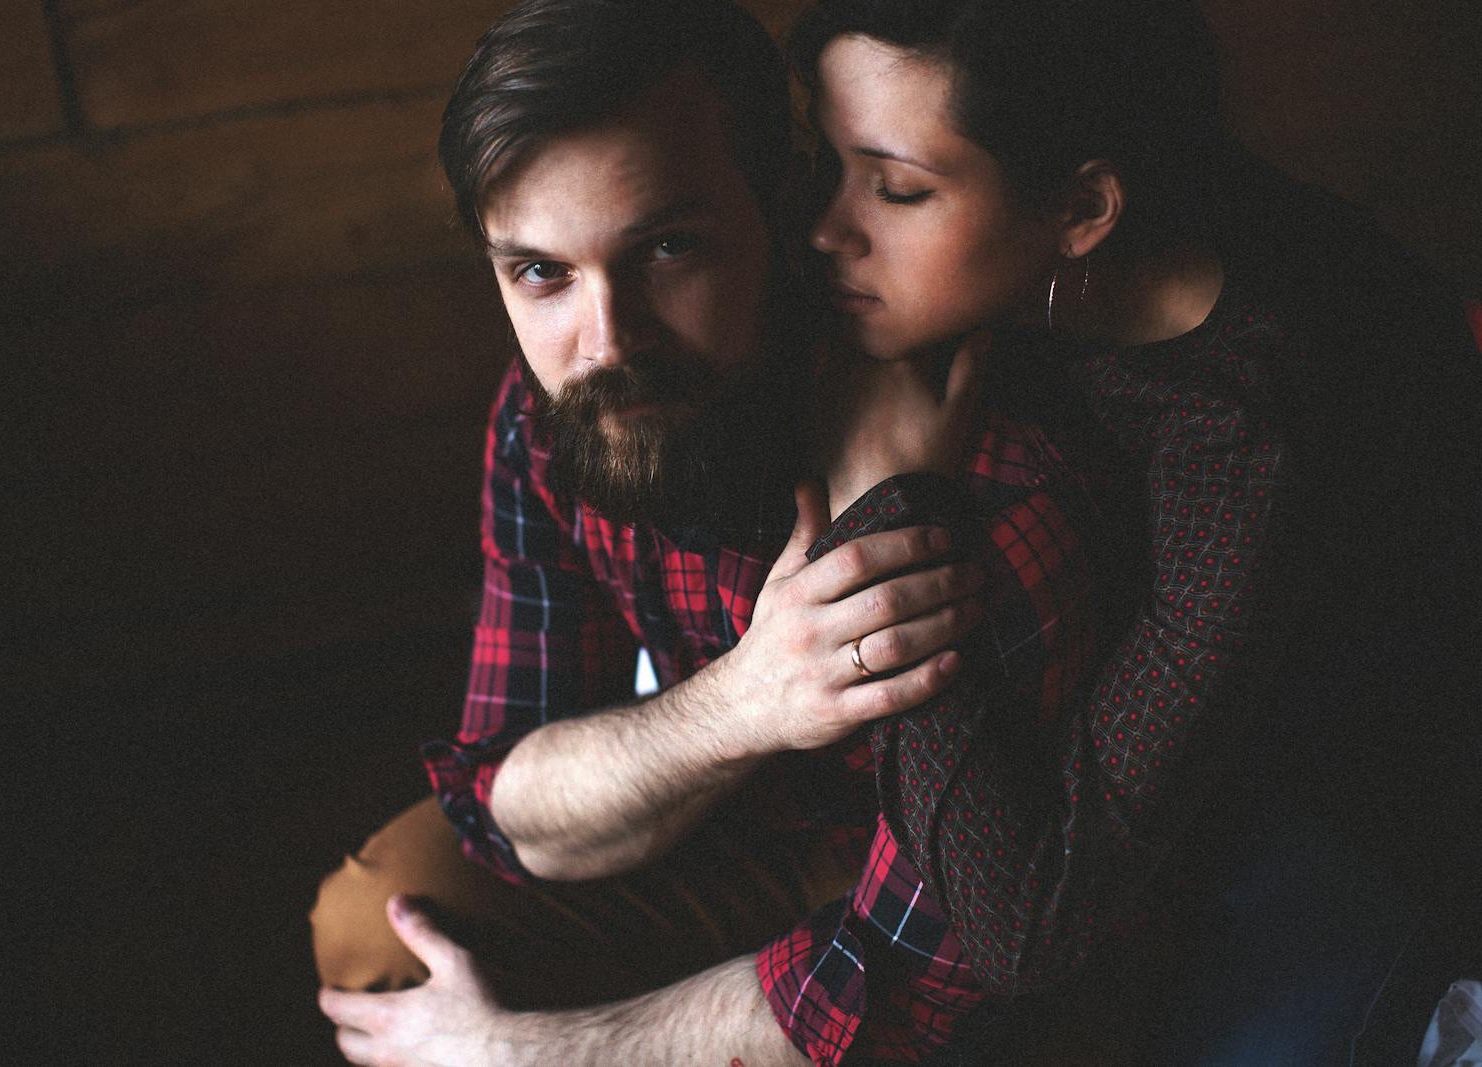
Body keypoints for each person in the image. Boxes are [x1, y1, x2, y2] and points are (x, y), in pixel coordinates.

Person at [312, 1, 1108, 1064]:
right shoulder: (557, 413)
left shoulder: (988, 480)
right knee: (388, 926)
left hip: (982, 923)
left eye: (668, 248)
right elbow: (503, 803)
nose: (607, 341)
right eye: (541, 271)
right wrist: (747, 698)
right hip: (750, 833)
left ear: (780, 212)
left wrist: (528, 1050)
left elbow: (927, 976)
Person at [791, 0, 1482, 1061]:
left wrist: (888, 511)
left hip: (1382, 814)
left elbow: (1022, 921)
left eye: (897, 188)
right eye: (829, 164)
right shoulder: (1047, 233)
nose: (827, 228)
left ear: (1085, 209)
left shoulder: (1249, 433)